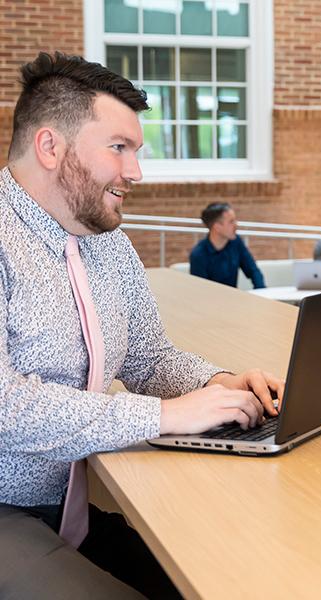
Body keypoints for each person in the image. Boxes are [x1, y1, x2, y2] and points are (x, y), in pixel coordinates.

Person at [0, 52, 283, 598]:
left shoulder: (111, 246)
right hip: (9, 505)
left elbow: (148, 358)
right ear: (50, 146)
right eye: (119, 148)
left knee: (205, 582)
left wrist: (216, 384)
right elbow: (5, 406)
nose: (136, 172)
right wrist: (165, 414)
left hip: (74, 503)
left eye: (137, 151)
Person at [189, 202, 266, 289]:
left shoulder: (236, 242)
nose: (236, 225)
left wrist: (262, 292)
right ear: (217, 227)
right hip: (211, 300)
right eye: (231, 222)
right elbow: (201, 290)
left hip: (233, 299)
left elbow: (253, 271)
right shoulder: (198, 254)